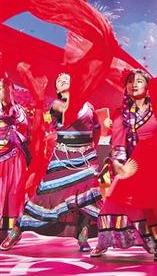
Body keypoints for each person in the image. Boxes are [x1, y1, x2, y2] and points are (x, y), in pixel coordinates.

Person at [3, 73, 102, 252]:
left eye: (68, 79)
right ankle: (17, 230)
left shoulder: (89, 107)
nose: (64, 80)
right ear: (57, 89)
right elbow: (67, 115)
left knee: (87, 199)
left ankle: (83, 236)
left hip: (86, 159)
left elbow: (97, 129)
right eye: (60, 81)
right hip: (62, 159)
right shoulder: (56, 105)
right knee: (43, 198)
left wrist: (90, 151)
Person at [90, 70, 157, 261]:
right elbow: (118, 140)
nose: (134, 84)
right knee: (114, 199)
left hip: (154, 166)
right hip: (131, 164)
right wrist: (119, 164)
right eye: (130, 81)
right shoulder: (121, 113)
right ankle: (104, 241)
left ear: (148, 87)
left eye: (139, 81)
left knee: (152, 207)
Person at [0, 77, 29, 247]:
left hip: (13, 157)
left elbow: (25, 128)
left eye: (5, 87)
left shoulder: (18, 110)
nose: (2, 90)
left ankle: (12, 232)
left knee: (13, 193)